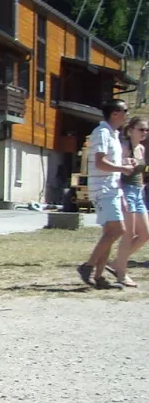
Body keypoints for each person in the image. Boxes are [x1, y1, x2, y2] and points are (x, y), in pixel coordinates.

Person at [79, 99, 134, 291]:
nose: (127, 114)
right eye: (125, 110)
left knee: (109, 233)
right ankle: (88, 266)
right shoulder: (101, 133)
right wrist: (123, 168)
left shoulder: (113, 134)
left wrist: (123, 165)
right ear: (115, 114)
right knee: (117, 230)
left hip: (111, 188)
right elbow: (100, 163)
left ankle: (99, 276)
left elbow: (108, 163)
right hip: (102, 189)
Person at [109, 115, 147, 287]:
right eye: (141, 129)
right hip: (126, 191)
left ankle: (116, 263)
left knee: (145, 234)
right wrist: (121, 194)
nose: (145, 132)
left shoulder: (141, 148)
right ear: (130, 130)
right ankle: (122, 275)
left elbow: (141, 171)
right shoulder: (123, 147)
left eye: (147, 130)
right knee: (128, 234)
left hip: (139, 191)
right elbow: (117, 171)